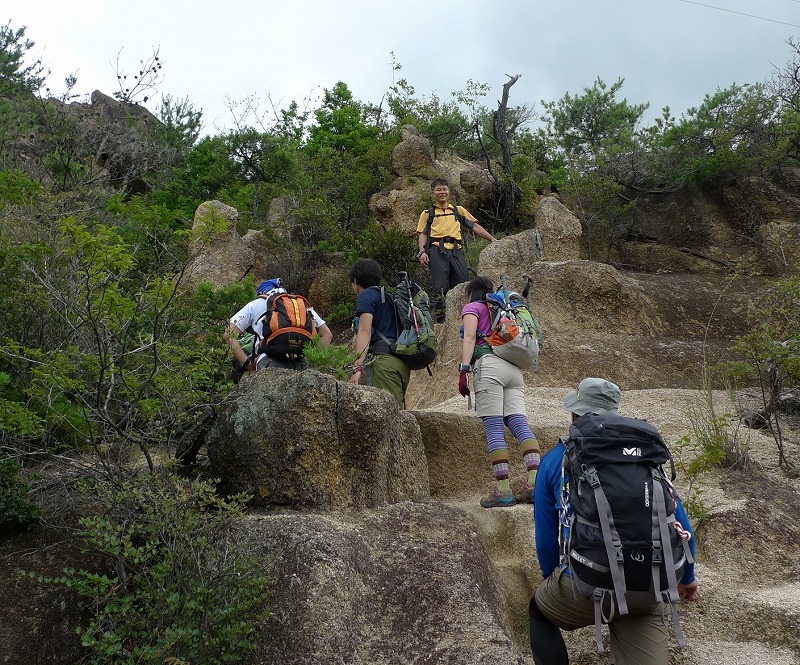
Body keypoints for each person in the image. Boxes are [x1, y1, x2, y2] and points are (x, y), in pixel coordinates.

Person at [529, 377, 699, 665]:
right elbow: (682, 528)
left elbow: (547, 543)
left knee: (538, 609)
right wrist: (688, 579)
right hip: (649, 585)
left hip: (583, 587)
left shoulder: (556, 460)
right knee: (638, 610)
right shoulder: (646, 458)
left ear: (575, 412)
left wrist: (554, 579)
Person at [460, 275, 540, 507]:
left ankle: (503, 490)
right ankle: (533, 486)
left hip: (489, 366)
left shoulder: (472, 307)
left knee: (494, 426)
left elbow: (471, 337)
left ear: (471, 292)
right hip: (513, 369)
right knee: (519, 423)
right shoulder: (504, 309)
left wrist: (464, 369)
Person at [417, 178, 496, 323]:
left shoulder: (458, 211)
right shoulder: (428, 213)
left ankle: (465, 316)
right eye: (439, 190)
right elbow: (422, 234)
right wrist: (422, 252)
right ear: (433, 192)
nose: (442, 192)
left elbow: (475, 227)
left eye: (444, 189)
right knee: (440, 286)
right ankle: (441, 321)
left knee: (463, 284)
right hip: (437, 251)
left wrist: (492, 239)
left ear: (449, 191)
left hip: (456, 251)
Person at [224, 278, 333, 377]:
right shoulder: (301, 306)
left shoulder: (255, 304)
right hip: (300, 364)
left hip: (268, 362)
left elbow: (229, 334)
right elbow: (327, 335)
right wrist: (311, 359)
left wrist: (248, 363)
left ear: (262, 292)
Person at [348, 258, 410, 407]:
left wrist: (357, 368)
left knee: (389, 418)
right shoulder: (388, 296)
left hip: (384, 363)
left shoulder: (366, 296)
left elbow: (364, 330)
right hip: (402, 363)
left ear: (356, 281)